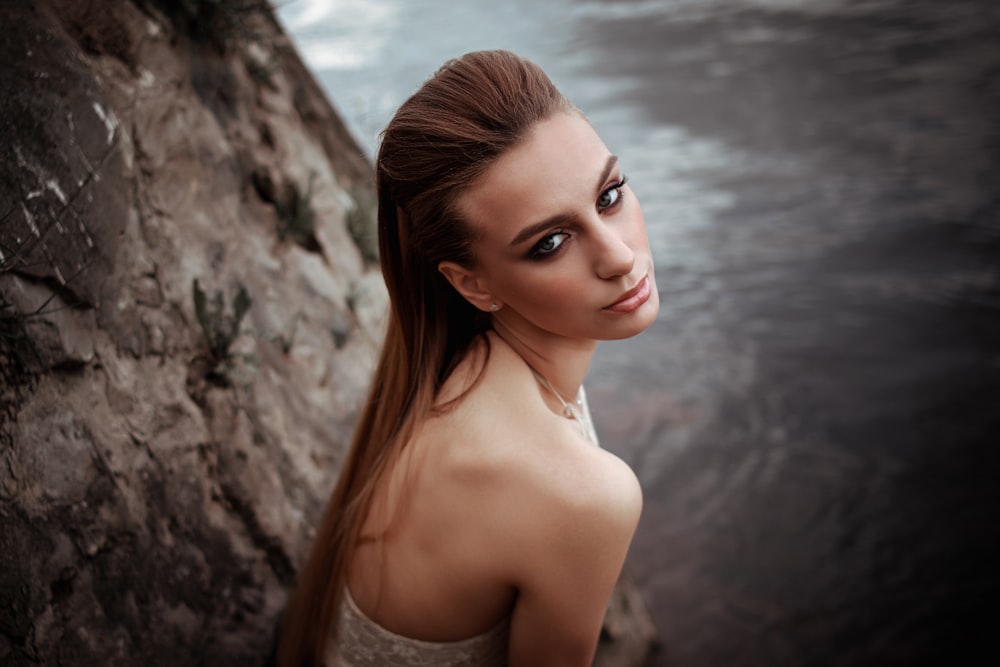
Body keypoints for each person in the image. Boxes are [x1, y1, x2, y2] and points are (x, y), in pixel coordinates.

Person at [277, 49, 660, 667]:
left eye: (610, 195)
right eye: (551, 242)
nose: (618, 256)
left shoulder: (459, 373)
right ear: (471, 284)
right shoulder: (586, 496)